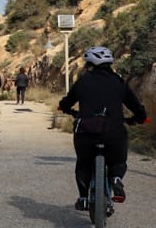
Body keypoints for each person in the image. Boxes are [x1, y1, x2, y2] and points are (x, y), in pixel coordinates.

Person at [57, 46, 147, 210]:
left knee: (83, 163)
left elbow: (66, 102)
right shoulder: (118, 82)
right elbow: (135, 105)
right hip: (114, 132)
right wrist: (140, 119)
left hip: (86, 132)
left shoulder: (83, 81)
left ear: (90, 64)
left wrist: (65, 109)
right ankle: (116, 179)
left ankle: (83, 197)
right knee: (118, 161)